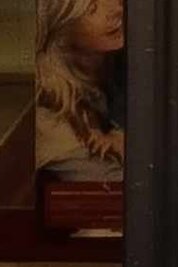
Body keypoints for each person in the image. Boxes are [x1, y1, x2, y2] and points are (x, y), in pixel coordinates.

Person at [36, 0, 126, 182]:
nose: (118, 10)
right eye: (91, 8)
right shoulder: (47, 113)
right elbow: (109, 186)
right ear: (60, 24)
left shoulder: (121, 72)